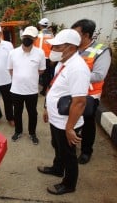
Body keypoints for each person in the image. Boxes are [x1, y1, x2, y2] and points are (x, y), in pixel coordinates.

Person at [37, 29, 91, 195]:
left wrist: (69, 128)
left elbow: (80, 102)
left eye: (57, 47)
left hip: (67, 123)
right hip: (56, 119)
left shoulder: (78, 68)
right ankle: (57, 168)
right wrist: (47, 108)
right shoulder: (63, 63)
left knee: (68, 154)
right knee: (57, 146)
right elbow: (54, 87)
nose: (53, 50)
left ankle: (69, 184)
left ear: (70, 47)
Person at [71, 19, 111, 164]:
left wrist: (75, 75)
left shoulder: (101, 50)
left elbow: (99, 75)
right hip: (72, 92)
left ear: (86, 35)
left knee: (87, 123)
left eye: (76, 34)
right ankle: (71, 144)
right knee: (72, 120)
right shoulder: (73, 48)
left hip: (89, 95)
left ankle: (86, 151)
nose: (73, 37)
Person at [8, 26, 46, 145]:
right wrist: (20, 78)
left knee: (32, 113)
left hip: (31, 91)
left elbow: (41, 70)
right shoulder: (13, 53)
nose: (27, 39)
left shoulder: (40, 53)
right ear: (22, 37)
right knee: (17, 112)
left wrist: (28, 77)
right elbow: (10, 69)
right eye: (25, 36)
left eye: (30, 37)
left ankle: (32, 133)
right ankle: (18, 131)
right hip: (16, 90)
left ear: (34, 38)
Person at [34, 18, 54, 96]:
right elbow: (53, 47)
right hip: (48, 58)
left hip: (38, 57)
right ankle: (45, 90)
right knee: (47, 75)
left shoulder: (37, 35)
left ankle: (35, 89)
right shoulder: (51, 35)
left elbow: (34, 46)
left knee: (36, 74)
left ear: (40, 25)